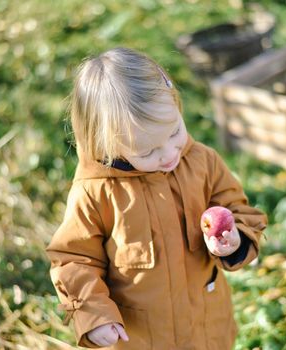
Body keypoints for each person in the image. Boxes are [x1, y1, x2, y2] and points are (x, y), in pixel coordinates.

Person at [45, 47, 267, 350]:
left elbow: (238, 209)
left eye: (175, 131)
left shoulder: (202, 163)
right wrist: (93, 314)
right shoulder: (96, 192)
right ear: (107, 144)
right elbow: (74, 259)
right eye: (147, 151)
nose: (169, 154)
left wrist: (236, 239)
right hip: (141, 337)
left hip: (205, 326)